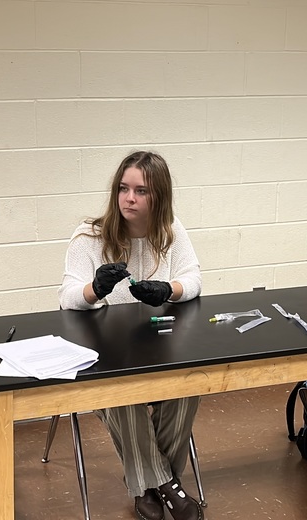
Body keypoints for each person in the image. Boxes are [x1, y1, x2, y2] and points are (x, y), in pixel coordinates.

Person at [58, 151, 203, 520]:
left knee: (186, 385)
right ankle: (167, 485)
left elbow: (194, 280)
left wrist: (168, 289)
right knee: (123, 392)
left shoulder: (171, 231)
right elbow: (67, 298)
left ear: (160, 197)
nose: (129, 198)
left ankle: (147, 486)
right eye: (123, 189)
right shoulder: (89, 237)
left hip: (156, 349)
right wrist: (94, 288)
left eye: (141, 191)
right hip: (104, 356)